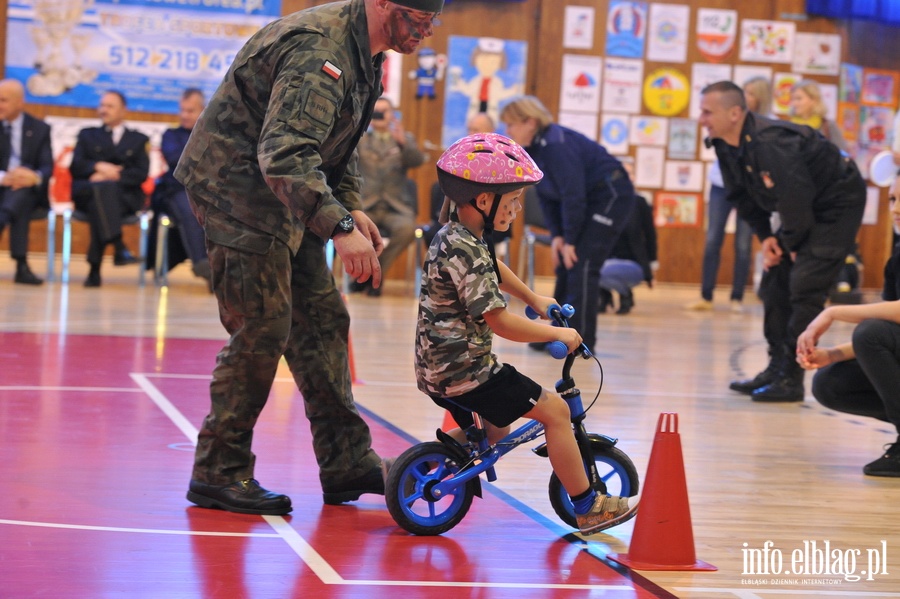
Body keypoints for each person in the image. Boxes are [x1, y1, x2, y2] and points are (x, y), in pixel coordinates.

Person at [173, 0, 443, 516]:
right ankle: (218, 471)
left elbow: (338, 145)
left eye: (433, 22)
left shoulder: (369, 50)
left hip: (283, 196)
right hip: (238, 192)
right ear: (383, 4)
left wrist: (350, 207)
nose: (426, 33)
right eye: (419, 19)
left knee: (321, 322)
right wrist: (339, 226)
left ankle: (347, 463)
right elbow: (286, 152)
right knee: (262, 329)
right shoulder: (320, 47)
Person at [417, 132, 639, 534]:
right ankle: (589, 506)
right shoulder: (467, 247)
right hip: (466, 372)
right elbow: (500, 322)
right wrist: (553, 332)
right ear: (484, 200)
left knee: (494, 430)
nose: (518, 208)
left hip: (439, 367)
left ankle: (431, 464)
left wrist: (534, 298)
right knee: (555, 412)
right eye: (514, 199)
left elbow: (493, 268)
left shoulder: (457, 236)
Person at [700, 81, 866, 402]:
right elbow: (742, 197)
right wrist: (767, 239)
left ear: (735, 113)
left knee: (805, 284)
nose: (702, 119)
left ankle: (791, 378)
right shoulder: (723, 143)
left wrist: (785, 244)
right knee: (774, 281)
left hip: (838, 203)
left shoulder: (770, 142)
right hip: (803, 207)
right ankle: (776, 367)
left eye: (708, 112)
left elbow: (796, 204)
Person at [499, 95, 636, 353]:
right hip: (588, 200)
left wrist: (571, 240)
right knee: (565, 262)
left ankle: (581, 340)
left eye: (511, 124)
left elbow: (573, 196)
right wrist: (558, 237)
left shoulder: (556, 145)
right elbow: (548, 196)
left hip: (611, 195)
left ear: (530, 122)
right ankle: (555, 333)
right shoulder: (534, 149)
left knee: (583, 263)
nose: (508, 131)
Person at [796, 175, 900, 476]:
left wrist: (834, 313)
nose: (895, 208)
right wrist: (833, 355)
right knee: (831, 384)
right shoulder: (896, 260)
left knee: (870, 332)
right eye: (892, 199)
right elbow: (891, 335)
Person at [686, 77, 770, 313]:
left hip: (749, 190)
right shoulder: (722, 124)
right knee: (713, 238)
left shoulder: (763, 128)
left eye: (751, 93)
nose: (746, 96)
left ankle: (737, 297)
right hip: (720, 186)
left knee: (743, 244)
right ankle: (706, 296)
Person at [69, 90, 149, 288]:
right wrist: (97, 167)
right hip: (88, 194)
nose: (104, 110)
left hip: (125, 198)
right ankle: (118, 246)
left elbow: (141, 173)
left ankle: (95, 268)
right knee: (102, 196)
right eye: (102, 105)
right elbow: (76, 166)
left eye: (110, 106)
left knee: (104, 198)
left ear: (124, 111)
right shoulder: (87, 135)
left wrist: (114, 175)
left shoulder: (138, 139)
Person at [355, 96, 424, 296]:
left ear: (392, 115)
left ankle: (375, 273)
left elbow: (417, 161)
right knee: (354, 228)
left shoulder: (404, 139)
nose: (379, 116)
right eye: (375, 111)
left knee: (407, 229)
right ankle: (368, 276)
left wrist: (403, 143)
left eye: (383, 111)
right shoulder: (360, 138)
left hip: (396, 206)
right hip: (367, 205)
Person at [152, 88, 210, 285]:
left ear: (203, 110)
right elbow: (176, 160)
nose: (184, 115)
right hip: (176, 190)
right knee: (189, 208)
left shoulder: (212, 134)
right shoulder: (171, 135)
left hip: (208, 191)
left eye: (190, 111)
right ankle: (202, 263)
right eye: (182, 110)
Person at [0, 78, 52, 285]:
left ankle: (3, 217)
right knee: (18, 202)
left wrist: (34, 177)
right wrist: (5, 177)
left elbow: (47, 166)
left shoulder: (40, 129)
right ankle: (22, 266)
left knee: (22, 194)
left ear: (20, 102)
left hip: (29, 189)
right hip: (3, 187)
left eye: (3, 100)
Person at [598, 192, 656, 315]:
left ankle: (625, 294)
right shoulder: (603, 200)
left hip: (633, 263)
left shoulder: (639, 202)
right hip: (606, 259)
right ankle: (604, 296)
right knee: (592, 267)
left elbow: (650, 234)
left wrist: (652, 265)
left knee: (600, 270)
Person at [789, 79, 847, 152]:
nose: (794, 103)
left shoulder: (828, 126)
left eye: (799, 99)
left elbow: (841, 153)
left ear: (814, 100)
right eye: (793, 99)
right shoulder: (789, 126)